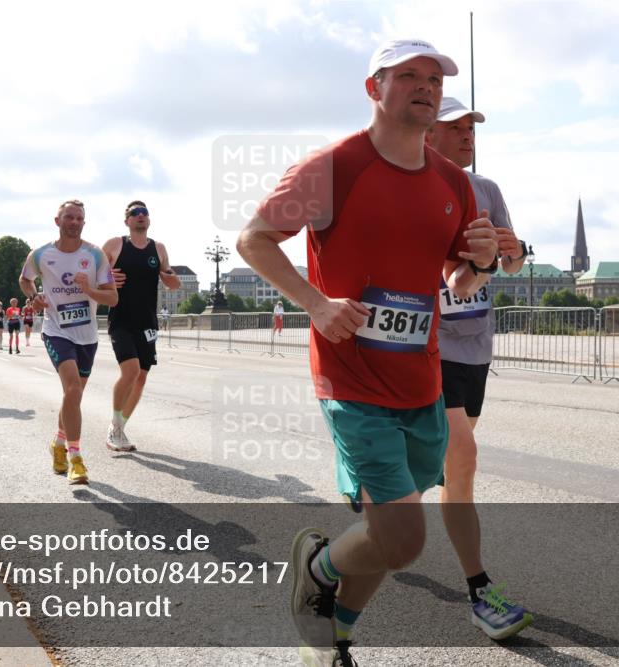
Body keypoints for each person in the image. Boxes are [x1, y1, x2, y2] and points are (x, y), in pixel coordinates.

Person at [236, 39, 499, 665]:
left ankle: (335, 638)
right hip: (351, 379)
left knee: (385, 531)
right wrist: (316, 303)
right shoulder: (333, 167)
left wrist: (483, 265)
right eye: (407, 75)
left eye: (434, 79)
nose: (425, 87)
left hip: (422, 382)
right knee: (404, 537)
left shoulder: (452, 184)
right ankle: (319, 566)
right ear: (372, 88)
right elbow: (254, 239)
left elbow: (456, 283)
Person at [426, 96, 532, 639]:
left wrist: (512, 253)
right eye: (456, 127)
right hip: (428, 345)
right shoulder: (418, 188)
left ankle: (373, 493)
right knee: (462, 454)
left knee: (443, 464)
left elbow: (511, 260)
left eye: (472, 127)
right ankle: (479, 589)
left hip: (474, 346)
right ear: (428, 134)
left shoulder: (488, 190)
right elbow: (454, 280)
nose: (468, 135)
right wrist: (479, 264)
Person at [19, 199, 117, 484]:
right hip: (56, 330)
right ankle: (76, 459)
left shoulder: (95, 255)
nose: (74, 222)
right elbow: (26, 279)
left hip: (87, 336)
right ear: (57, 221)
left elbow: (112, 297)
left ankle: (58, 442)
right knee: (72, 388)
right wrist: (33, 296)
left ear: (84, 223)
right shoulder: (40, 254)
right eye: (69, 217)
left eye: (79, 218)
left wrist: (89, 289)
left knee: (73, 396)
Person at [101, 200, 181, 452]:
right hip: (121, 319)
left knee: (141, 378)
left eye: (144, 213)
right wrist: (107, 277)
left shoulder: (158, 248)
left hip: (147, 321)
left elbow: (173, 284)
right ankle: (114, 428)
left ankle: (120, 427)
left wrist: (170, 277)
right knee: (131, 371)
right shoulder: (115, 244)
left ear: (149, 219)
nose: (140, 216)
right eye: (134, 213)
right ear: (126, 220)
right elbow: (94, 275)